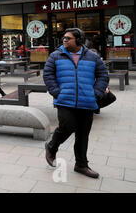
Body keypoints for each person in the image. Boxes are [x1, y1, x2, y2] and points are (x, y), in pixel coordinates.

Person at [43, 28, 109, 179]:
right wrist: (57, 92)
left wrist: (96, 93)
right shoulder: (55, 56)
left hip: (87, 102)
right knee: (67, 126)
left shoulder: (93, 57)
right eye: (64, 38)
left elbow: (103, 75)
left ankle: (81, 164)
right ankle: (52, 146)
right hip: (64, 100)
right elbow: (48, 75)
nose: (64, 40)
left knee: (83, 134)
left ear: (78, 40)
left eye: (68, 38)